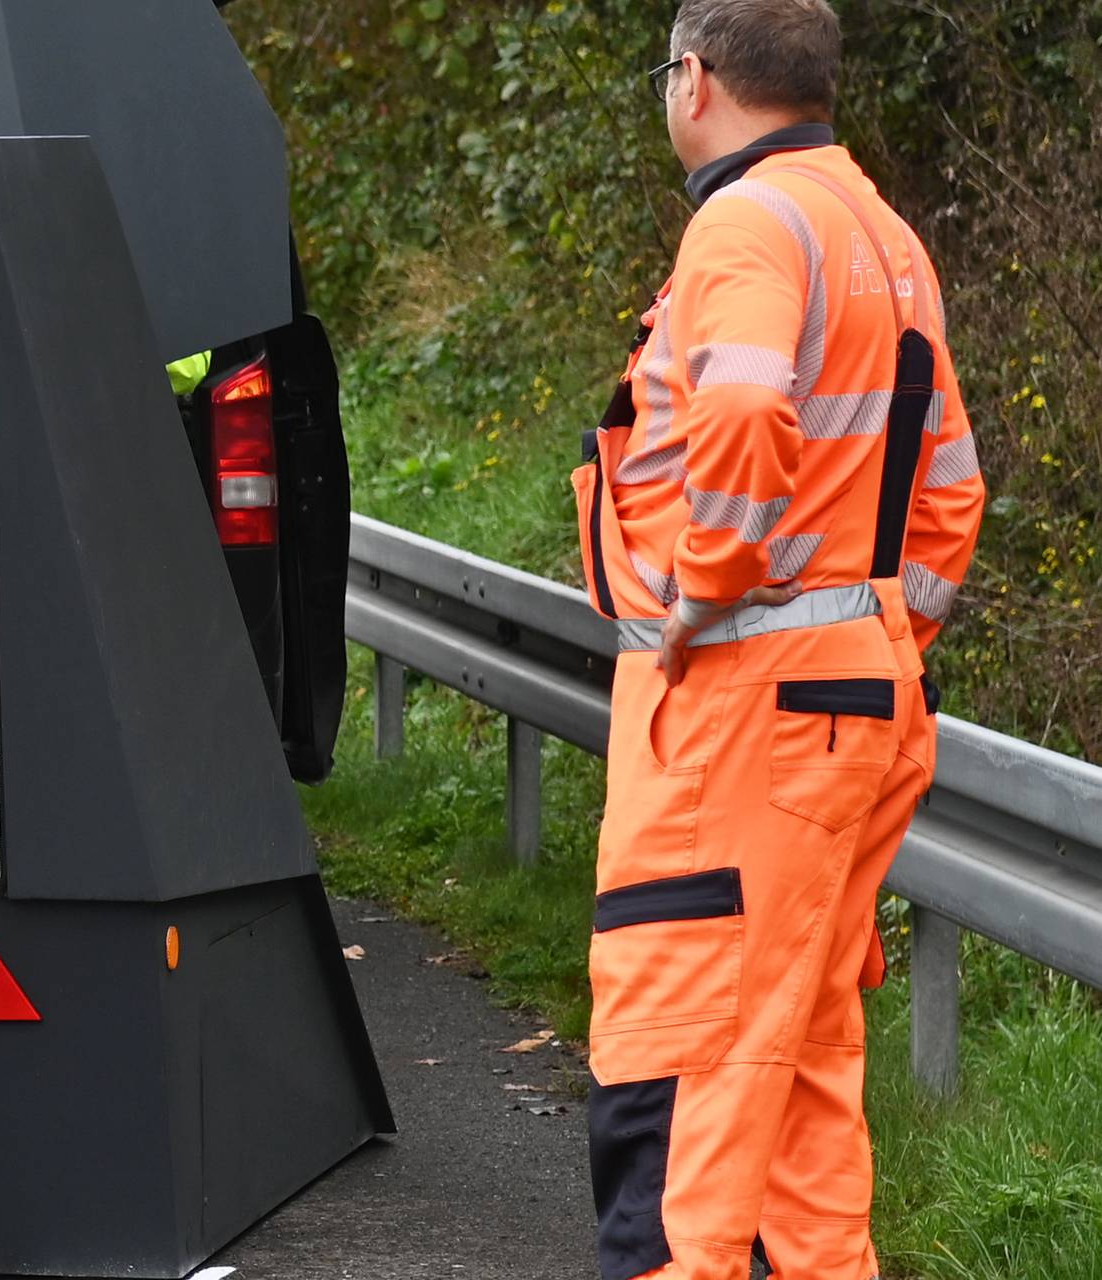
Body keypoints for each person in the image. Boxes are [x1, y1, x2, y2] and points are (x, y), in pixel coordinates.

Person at [575, 3, 985, 1278]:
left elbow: (746, 410)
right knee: (801, 1081)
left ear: (693, 78)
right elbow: (950, 493)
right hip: (853, 702)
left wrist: (708, 599)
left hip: (739, 714)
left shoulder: (747, 222)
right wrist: (872, 638)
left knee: (684, 1066)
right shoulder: (884, 234)